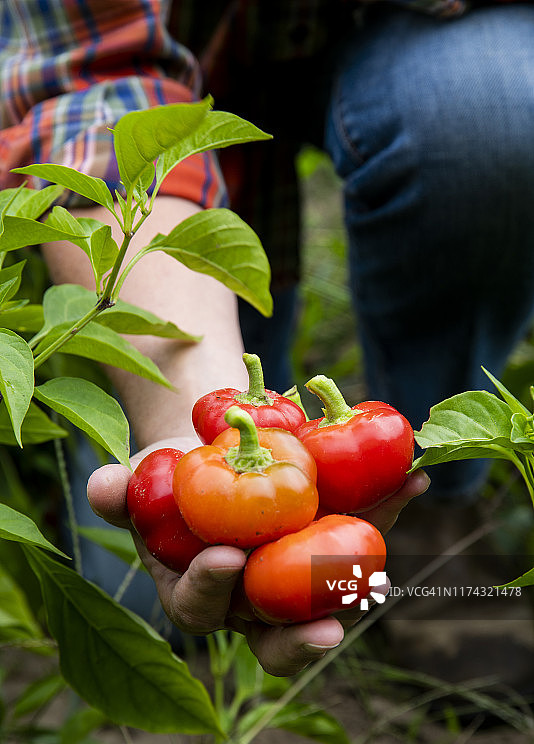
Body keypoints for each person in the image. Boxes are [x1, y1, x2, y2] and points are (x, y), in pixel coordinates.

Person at [1, 1, 533, 677]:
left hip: (384, 42)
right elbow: (90, 95)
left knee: (486, 100)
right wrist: (185, 414)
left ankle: (441, 521)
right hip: (168, 91)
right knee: (144, 595)